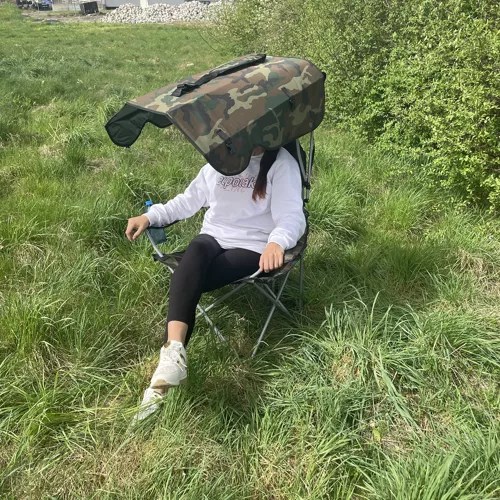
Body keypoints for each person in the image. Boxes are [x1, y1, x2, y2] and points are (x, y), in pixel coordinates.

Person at [125, 145, 306, 419]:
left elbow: (292, 215)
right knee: (196, 251)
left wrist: (277, 242)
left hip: (254, 246)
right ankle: (172, 356)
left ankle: (160, 386)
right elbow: (187, 201)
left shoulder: (281, 162)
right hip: (213, 237)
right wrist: (149, 216)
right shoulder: (221, 160)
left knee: (187, 280)